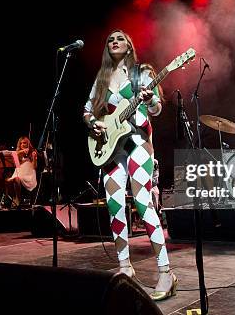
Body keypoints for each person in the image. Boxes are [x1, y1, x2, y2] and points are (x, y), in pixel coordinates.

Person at [83, 29, 177, 301]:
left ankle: (165, 271)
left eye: (119, 38)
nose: (114, 42)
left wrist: (150, 101)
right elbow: (87, 110)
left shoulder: (141, 73)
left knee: (142, 201)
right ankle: (125, 266)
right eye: (110, 39)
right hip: (113, 148)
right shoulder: (101, 79)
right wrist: (95, 125)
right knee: (113, 204)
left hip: (138, 143)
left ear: (129, 45)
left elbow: (157, 108)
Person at [6, 136, 37, 207]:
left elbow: (34, 167)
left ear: (28, 144)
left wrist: (34, 158)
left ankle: (17, 199)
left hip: (29, 174)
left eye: (25, 143)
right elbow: (15, 156)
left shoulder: (32, 152)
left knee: (17, 179)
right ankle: (14, 198)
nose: (23, 144)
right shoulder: (18, 153)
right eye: (21, 143)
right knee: (9, 180)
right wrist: (22, 151)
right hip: (19, 173)